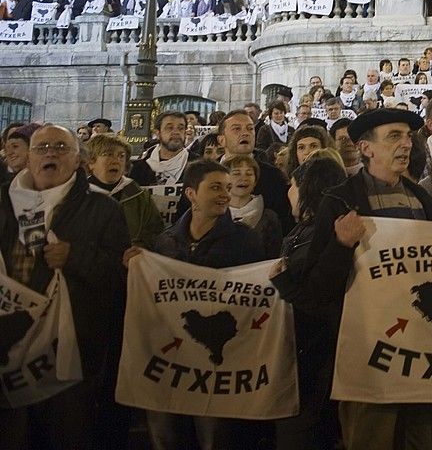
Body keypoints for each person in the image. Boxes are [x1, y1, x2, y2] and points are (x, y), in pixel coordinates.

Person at [296, 109, 432, 450]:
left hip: (420, 349)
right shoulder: (339, 200)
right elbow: (315, 288)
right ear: (366, 148)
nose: (406, 144)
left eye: (408, 137)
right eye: (394, 136)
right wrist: (340, 245)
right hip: (369, 353)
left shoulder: (422, 201)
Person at [0, 125, 130, 448]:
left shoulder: (103, 208)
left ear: (78, 160)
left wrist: (75, 257)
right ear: (28, 158)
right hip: (9, 343)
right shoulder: (3, 201)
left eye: (60, 147)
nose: (51, 153)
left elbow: (118, 275)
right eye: (42, 148)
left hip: (69, 352)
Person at [140, 159, 265, 450]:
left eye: (227, 188)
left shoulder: (244, 240)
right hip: (172, 357)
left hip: (218, 360)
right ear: (191, 194)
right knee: (168, 435)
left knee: (214, 436)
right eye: (216, 187)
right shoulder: (166, 241)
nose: (225, 194)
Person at [271, 150, 346, 450]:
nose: (288, 193)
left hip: (314, 357)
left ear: (307, 189)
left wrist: (282, 280)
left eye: (292, 186)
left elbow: (317, 297)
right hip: (301, 352)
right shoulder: (305, 230)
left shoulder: (324, 236)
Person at [85, 133, 163, 248]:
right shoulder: (79, 194)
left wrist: (141, 245)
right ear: (91, 162)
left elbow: (155, 230)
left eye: (121, 156)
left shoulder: (138, 195)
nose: (116, 161)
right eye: (108, 154)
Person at [224, 153, 284, 257]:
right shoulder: (215, 214)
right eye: (237, 173)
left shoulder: (269, 218)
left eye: (249, 174)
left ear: (255, 182)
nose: (244, 178)